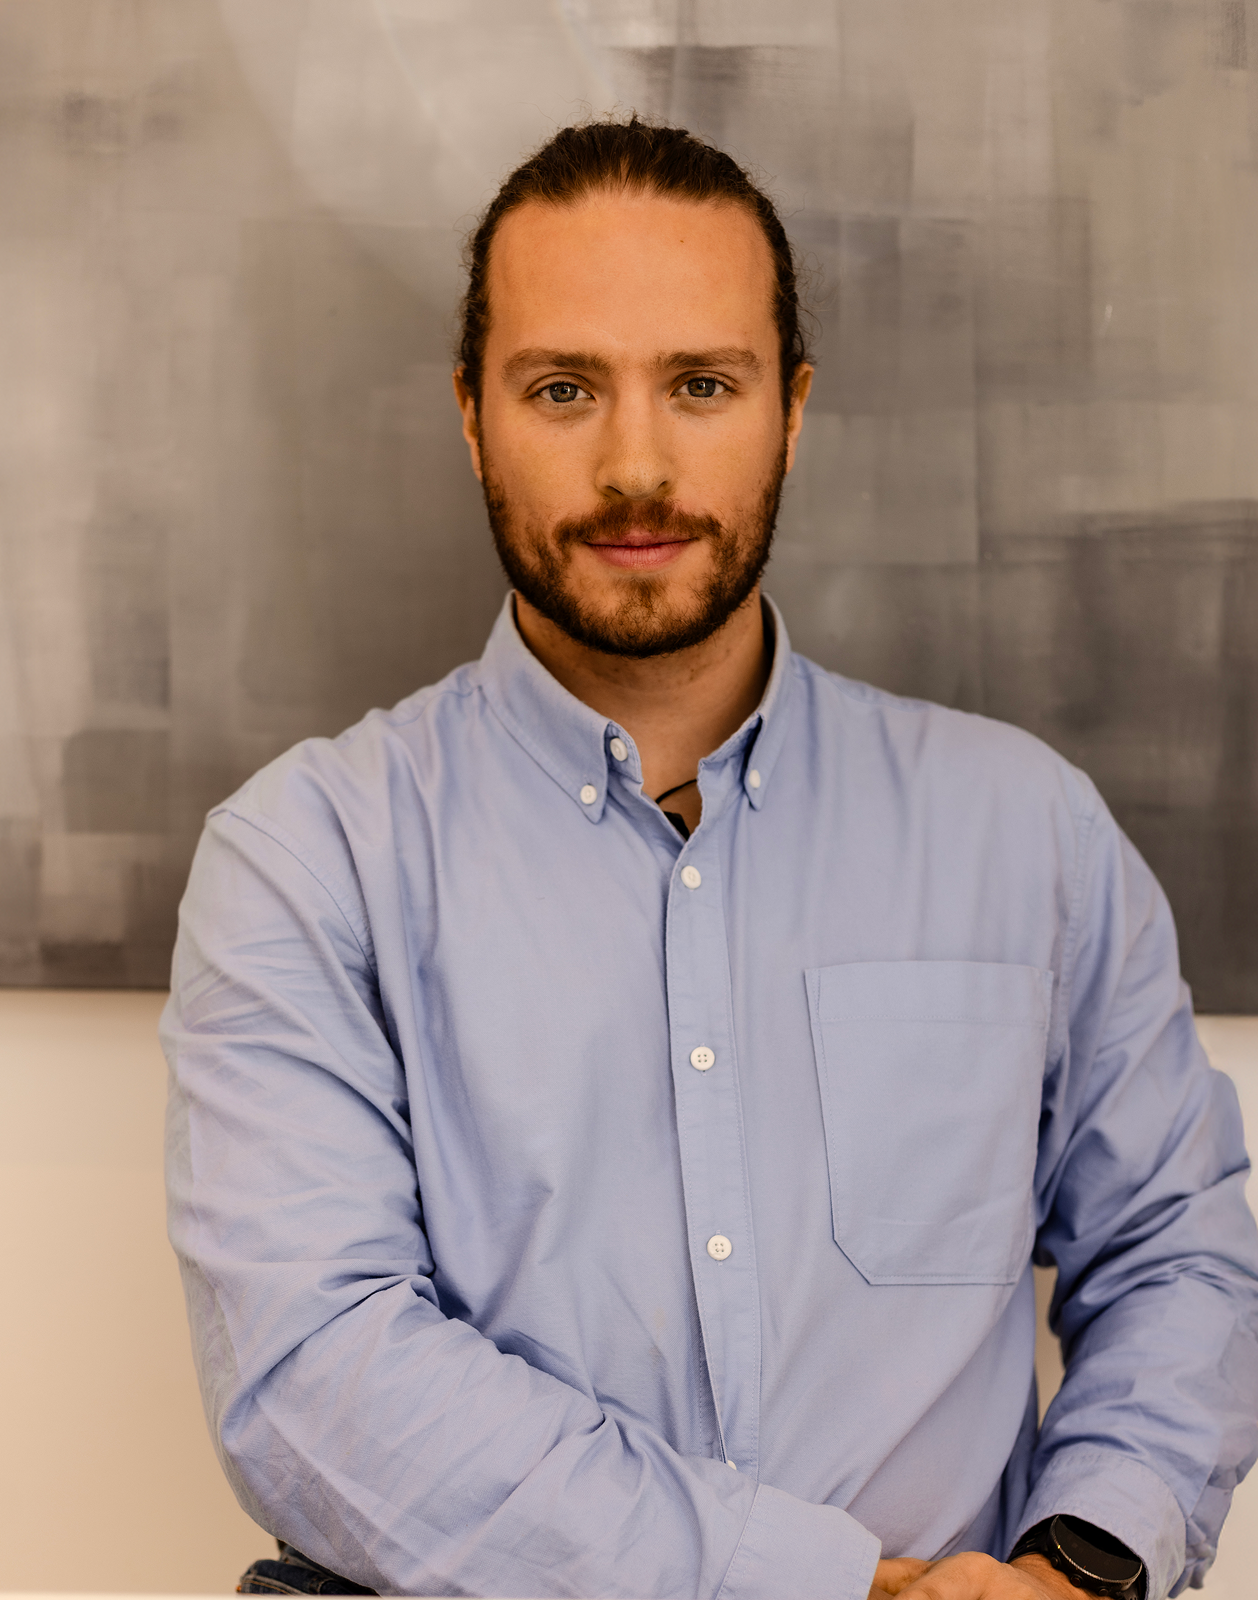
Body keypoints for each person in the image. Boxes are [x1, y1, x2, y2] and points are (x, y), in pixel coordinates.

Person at [163, 119, 1258, 1600]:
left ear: (790, 411)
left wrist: (1080, 1562)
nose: (635, 465)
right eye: (562, 388)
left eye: (700, 385)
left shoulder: (1025, 833)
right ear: (471, 417)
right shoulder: (308, 861)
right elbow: (316, 1377)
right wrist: (828, 1587)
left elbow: (1179, 1252)